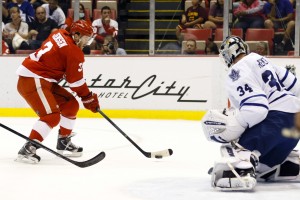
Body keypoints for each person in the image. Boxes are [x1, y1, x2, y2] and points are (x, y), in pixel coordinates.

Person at [202, 35, 300, 191]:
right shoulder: (263, 60)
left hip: (276, 121)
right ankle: (286, 164)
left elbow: (257, 109)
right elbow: (296, 86)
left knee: (237, 151)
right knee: (263, 165)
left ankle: (240, 170)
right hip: (295, 123)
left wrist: (234, 126)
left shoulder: (235, 72)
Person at [15, 20, 100, 164]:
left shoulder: (59, 33)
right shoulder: (74, 52)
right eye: (87, 37)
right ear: (77, 35)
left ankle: (63, 141)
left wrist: (85, 97)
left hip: (42, 80)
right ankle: (28, 148)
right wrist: (88, 98)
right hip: (33, 80)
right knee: (51, 116)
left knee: (71, 105)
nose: (88, 42)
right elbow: (76, 82)